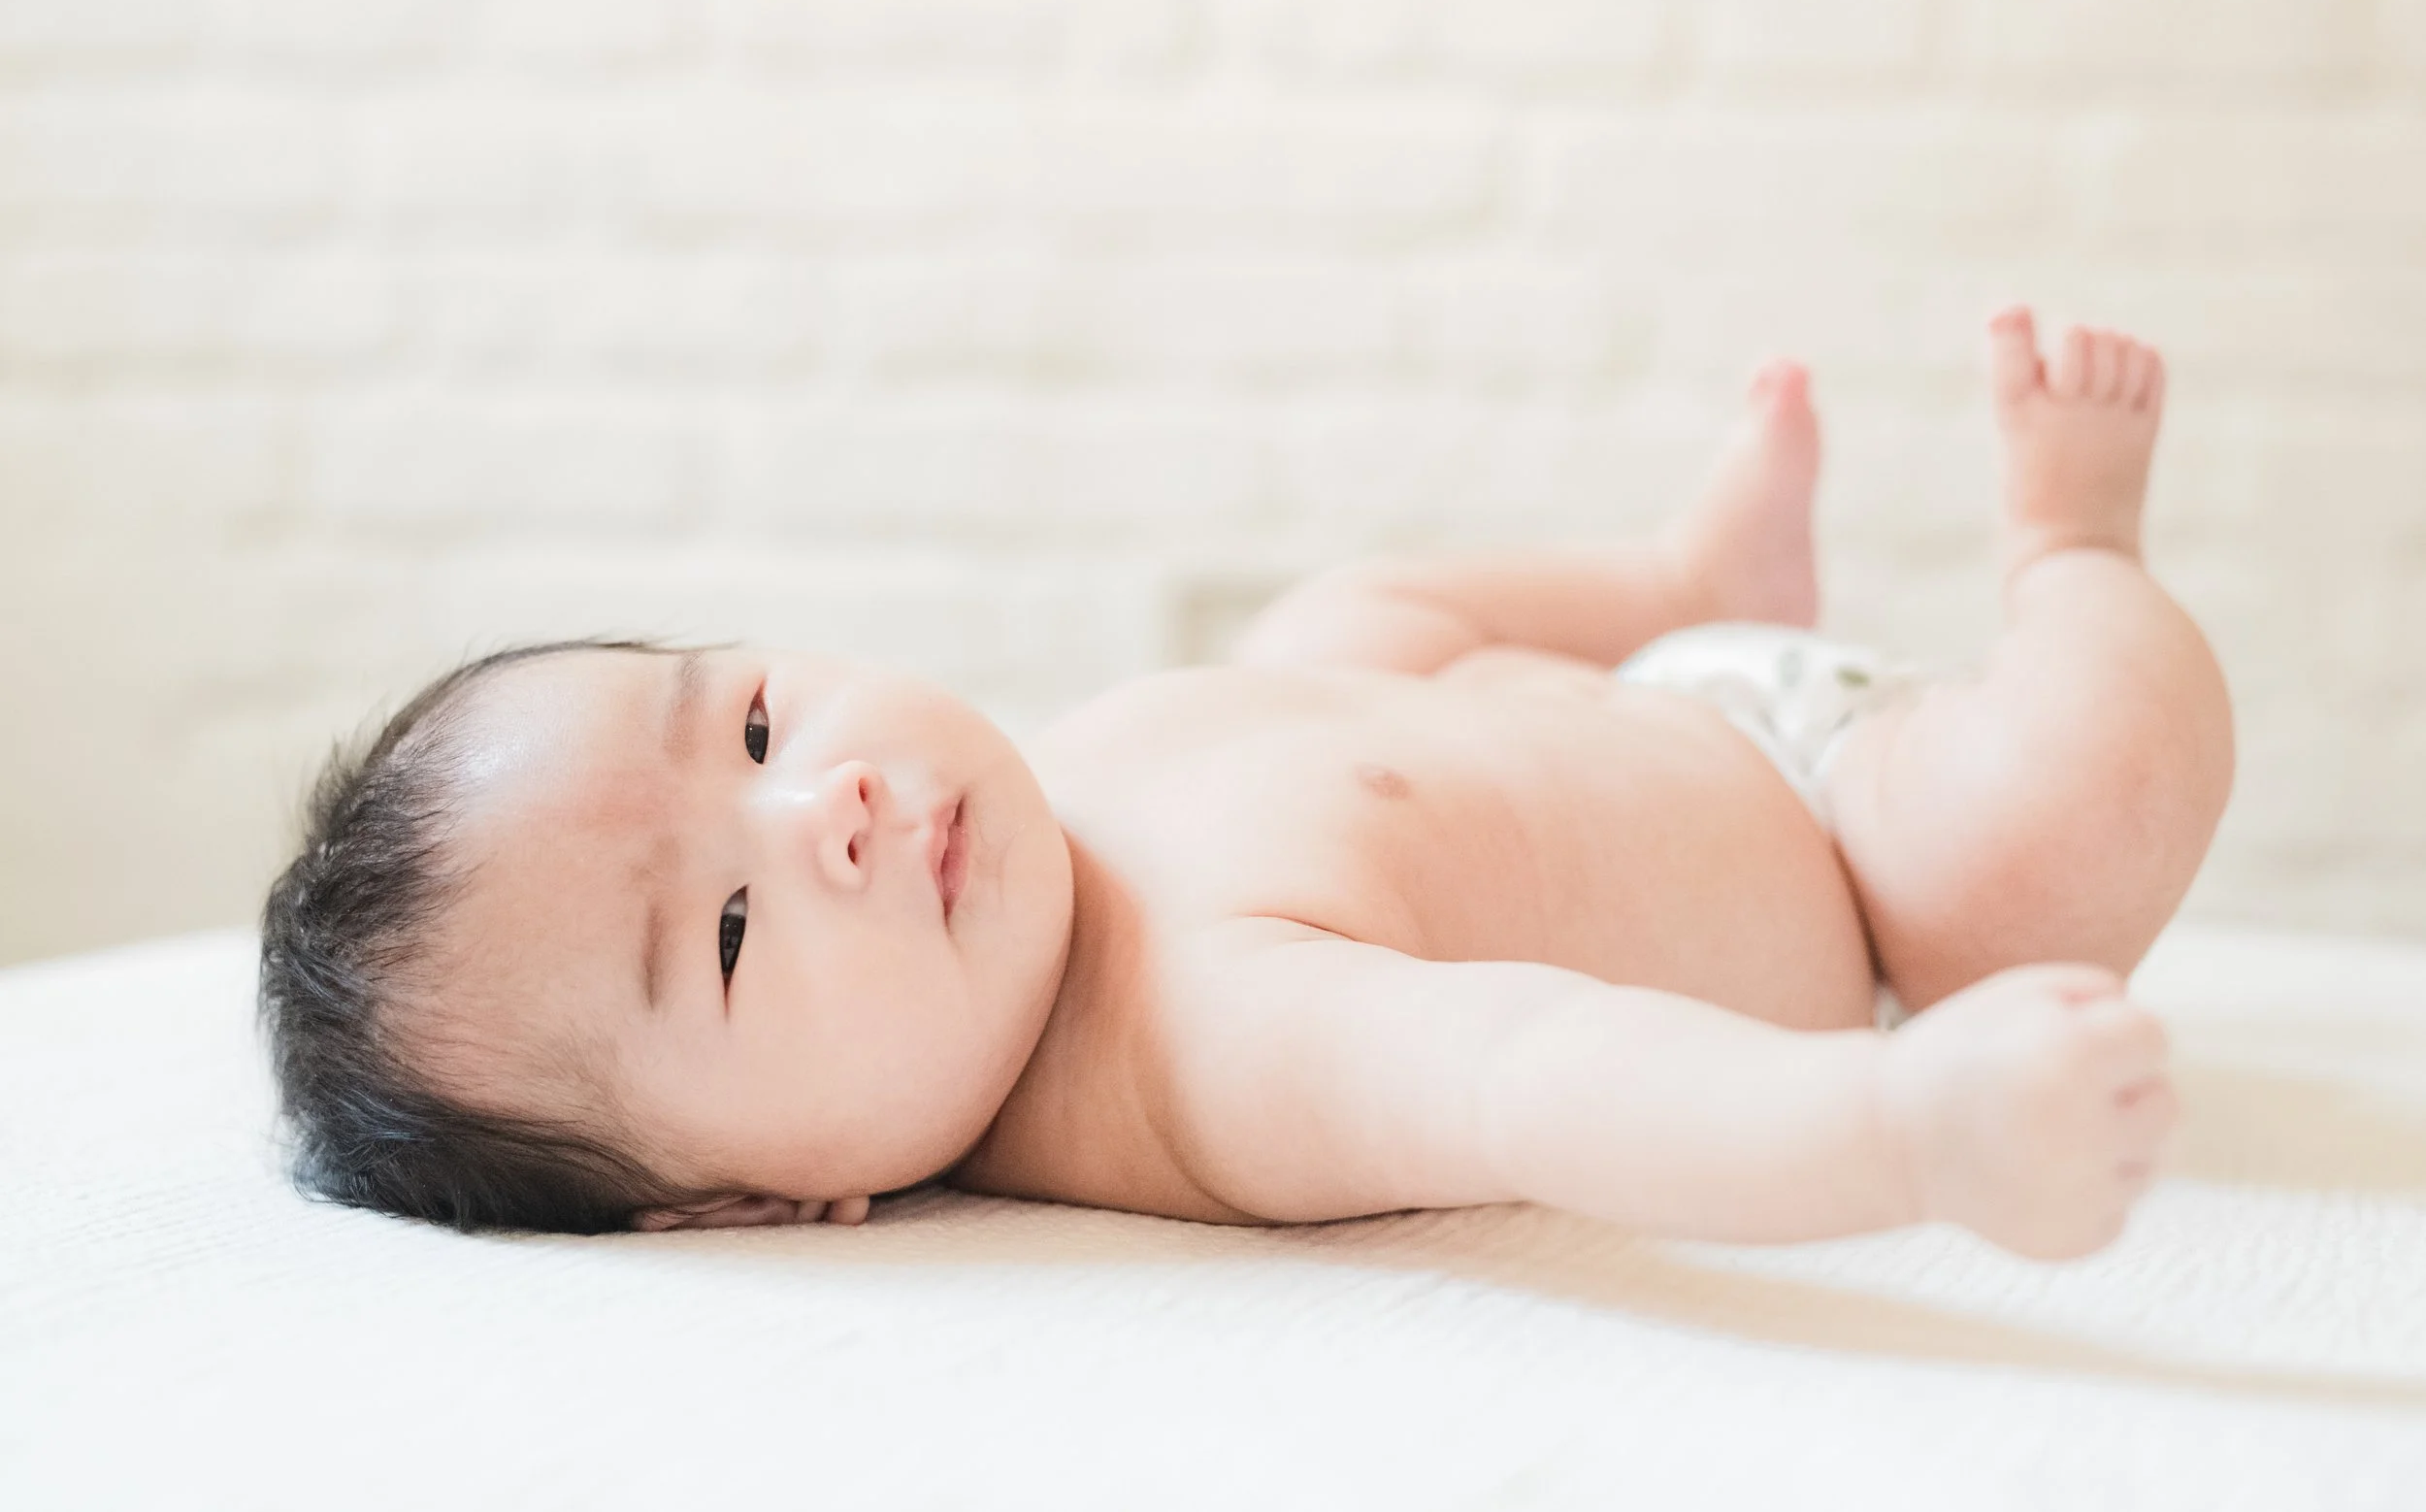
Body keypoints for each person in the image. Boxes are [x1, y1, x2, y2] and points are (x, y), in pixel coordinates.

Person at [259, 306, 2232, 1261]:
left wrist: (1649, 643)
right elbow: (1544, 1073)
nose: (823, 809)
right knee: (2069, 811)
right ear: (753, 1199)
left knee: (1331, 622)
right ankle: (2074, 550)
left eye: (758, 726)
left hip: (1626, 691)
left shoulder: (1031, 809)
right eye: (727, 931)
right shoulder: (1207, 1048)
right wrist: (1901, 1125)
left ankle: (1680, 579)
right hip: (1853, 847)